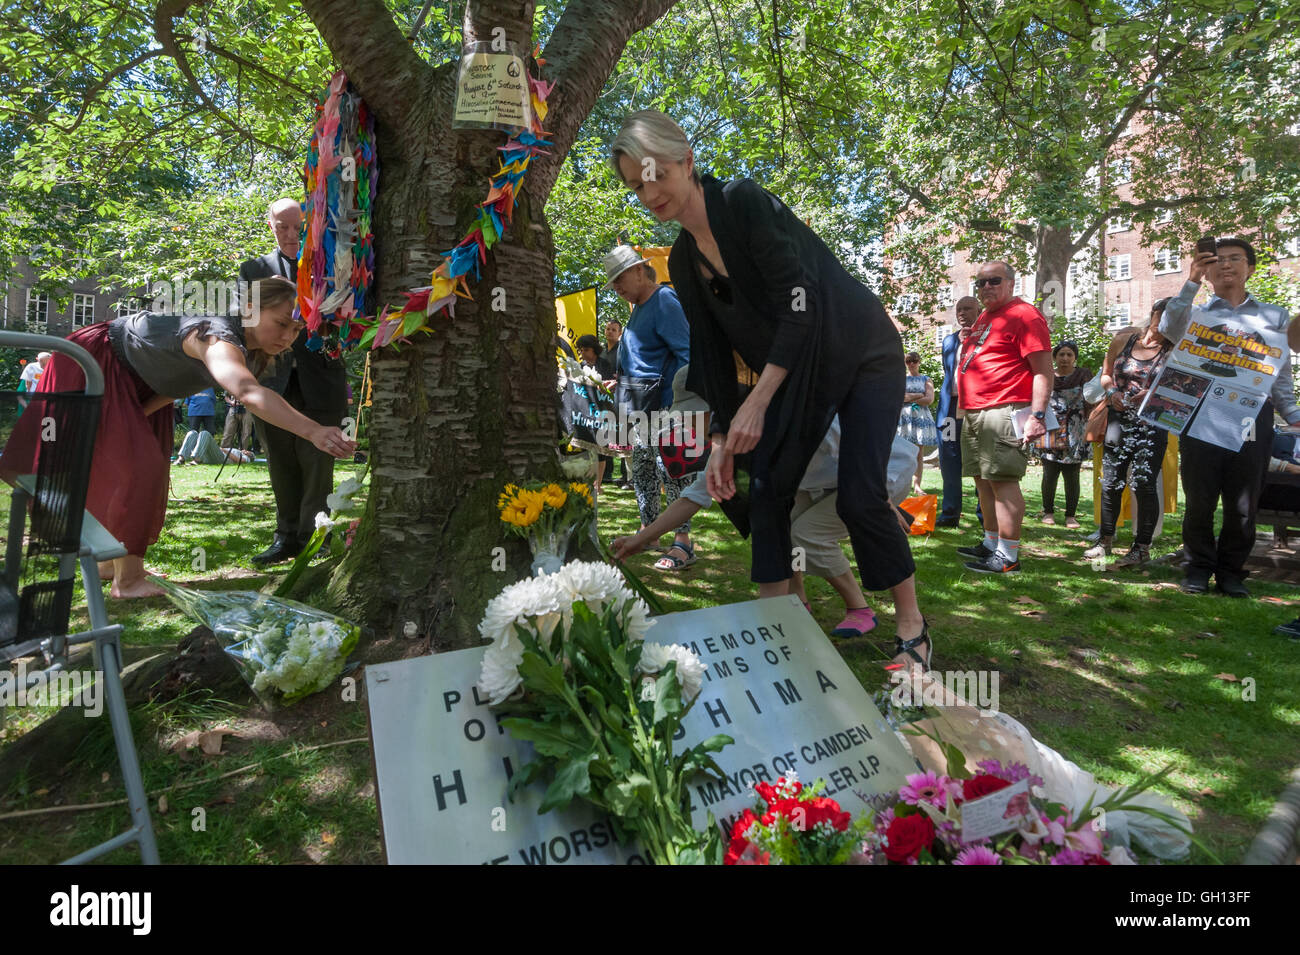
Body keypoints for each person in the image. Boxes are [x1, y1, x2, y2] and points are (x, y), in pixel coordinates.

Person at [610, 109, 932, 670]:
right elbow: (708, 354)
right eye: (636, 186)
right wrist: (716, 439)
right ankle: (775, 636)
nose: (647, 194)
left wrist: (759, 400)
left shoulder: (742, 202)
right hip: (803, 366)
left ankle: (912, 627)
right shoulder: (684, 259)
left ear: (685, 161)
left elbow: (799, 303)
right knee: (764, 490)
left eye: (654, 175)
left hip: (860, 353)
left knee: (860, 496)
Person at [0, 277, 356, 598]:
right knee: (142, 467)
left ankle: (112, 564)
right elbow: (247, 391)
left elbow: (180, 381)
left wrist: (139, 415)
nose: (287, 337)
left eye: (296, 330)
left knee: (136, 463)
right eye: (281, 323)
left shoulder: (244, 345)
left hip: (141, 384)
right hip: (98, 360)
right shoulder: (215, 335)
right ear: (250, 309)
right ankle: (129, 582)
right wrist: (313, 430)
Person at [612, 369, 918, 639]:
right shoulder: (728, 444)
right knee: (790, 535)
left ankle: (869, 611)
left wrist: (879, 498)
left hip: (879, 472)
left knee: (806, 536)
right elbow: (692, 498)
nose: (692, 427)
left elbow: (852, 442)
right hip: (825, 484)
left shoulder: (783, 417)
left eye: (696, 416)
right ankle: (835, 605)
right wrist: (641, 539)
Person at [1163, 237, 1300, 597]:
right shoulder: (1194, 313)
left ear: (1250, 267)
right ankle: (1197, 569)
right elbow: (1168, 328)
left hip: (1253, 418)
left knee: (1243, 502)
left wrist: (1293, 415)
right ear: (1207, 270)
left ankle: (1232, 573)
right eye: (1217, 260)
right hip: (1201, 416)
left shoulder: (1274, 317)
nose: (1225, 265)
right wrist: (1190, 280)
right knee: (1200, 500)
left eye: (1235, 259)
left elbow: (1280, 378)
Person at [238, 196, 349, 565]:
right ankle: (285, 538)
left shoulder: (334, 264)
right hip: (271, 380)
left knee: (318, 461)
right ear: (269, 225)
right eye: (281, 226)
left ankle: (315, 538)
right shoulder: (252, 268)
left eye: (297, 227)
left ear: (309, 226)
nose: (289, 234)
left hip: (322, 378)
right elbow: (248, 322)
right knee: (280, 462)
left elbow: (348, 316)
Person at [602, 243, 696, 568]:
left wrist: (682, 409)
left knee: (671, 473)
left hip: (667, 407)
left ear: (639, 270)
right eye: (612, 282)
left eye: (619, 278)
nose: (616, 287)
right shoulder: (638, 308)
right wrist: (619, 381)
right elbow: (641, 360)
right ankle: (649, 531)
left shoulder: (664, 300)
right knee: (641, 470)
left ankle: (682, 543)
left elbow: (688, 355)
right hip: (642, 406)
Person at [955, 261, 1052, 574]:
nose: (986, 287)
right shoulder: (987, 316)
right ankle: (991, 542)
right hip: (975, 409)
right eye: (980, 283)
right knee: (983, 480)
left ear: (1012, 282)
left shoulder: (1025, 315)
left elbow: (1043, 371)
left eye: (993, 280)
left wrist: (1037, 415)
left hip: (1004, 407)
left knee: (1002, 479)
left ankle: (1008, 556)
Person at [1083, 302, 1172, 568]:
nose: (1167, 323)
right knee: (1110, 480)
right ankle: (1104, 540)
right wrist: (1112, 393)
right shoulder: (1124, 339)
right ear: (1153, 313)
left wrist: (1155, 394)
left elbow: (1182, 387)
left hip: (1152, 423)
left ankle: (1141, 547)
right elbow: (1106, 375)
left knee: (1144, 483)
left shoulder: (1175, 351)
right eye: (1164, 316)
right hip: (1119, 418)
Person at [1039, 340, 1092, 529]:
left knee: (1072, 475)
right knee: (1050, 473)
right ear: (1055, 357)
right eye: (1061, 354)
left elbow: (1092, 400)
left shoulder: (1083, 375)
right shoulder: (1046, 375)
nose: (1065, 358)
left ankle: (1071, 516)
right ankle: (1048, 512)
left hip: (1075, 432)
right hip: (1051, 429)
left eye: (1069, 354)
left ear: (1075, 357)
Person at [937, 298, 979, 527]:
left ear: (979, 311)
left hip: (976, 408)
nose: (962, 313)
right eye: (959, 310)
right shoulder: (949, 341)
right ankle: (950, 513)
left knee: (980, 460)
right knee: (949, 458)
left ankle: (986, 516)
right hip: (950, 409)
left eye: (967, 309)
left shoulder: (986, 338)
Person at [897, 351, 938, 495]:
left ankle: (917, 485)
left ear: (919, 361)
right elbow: (898, 397)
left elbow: (929, 399)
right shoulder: (901, 379)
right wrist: (918, 395)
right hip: (904, 419)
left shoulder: (927, 380)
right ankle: (902, 485)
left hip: (920, 419)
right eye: (908, 361)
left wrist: (909, 398)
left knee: (918, 453)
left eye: (914, 360)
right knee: (902, 451)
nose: (912, 363)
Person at [175, 429, 255, 466]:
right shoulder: (238, 451)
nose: (245, 450)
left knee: (205, 433)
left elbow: (239, 460)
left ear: (249, 454)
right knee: (192, 433)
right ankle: (181, 459)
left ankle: (197, 459)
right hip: (211, 454)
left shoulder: (246, 458)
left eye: (247, 451)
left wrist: (223, 450)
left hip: (221, 458)